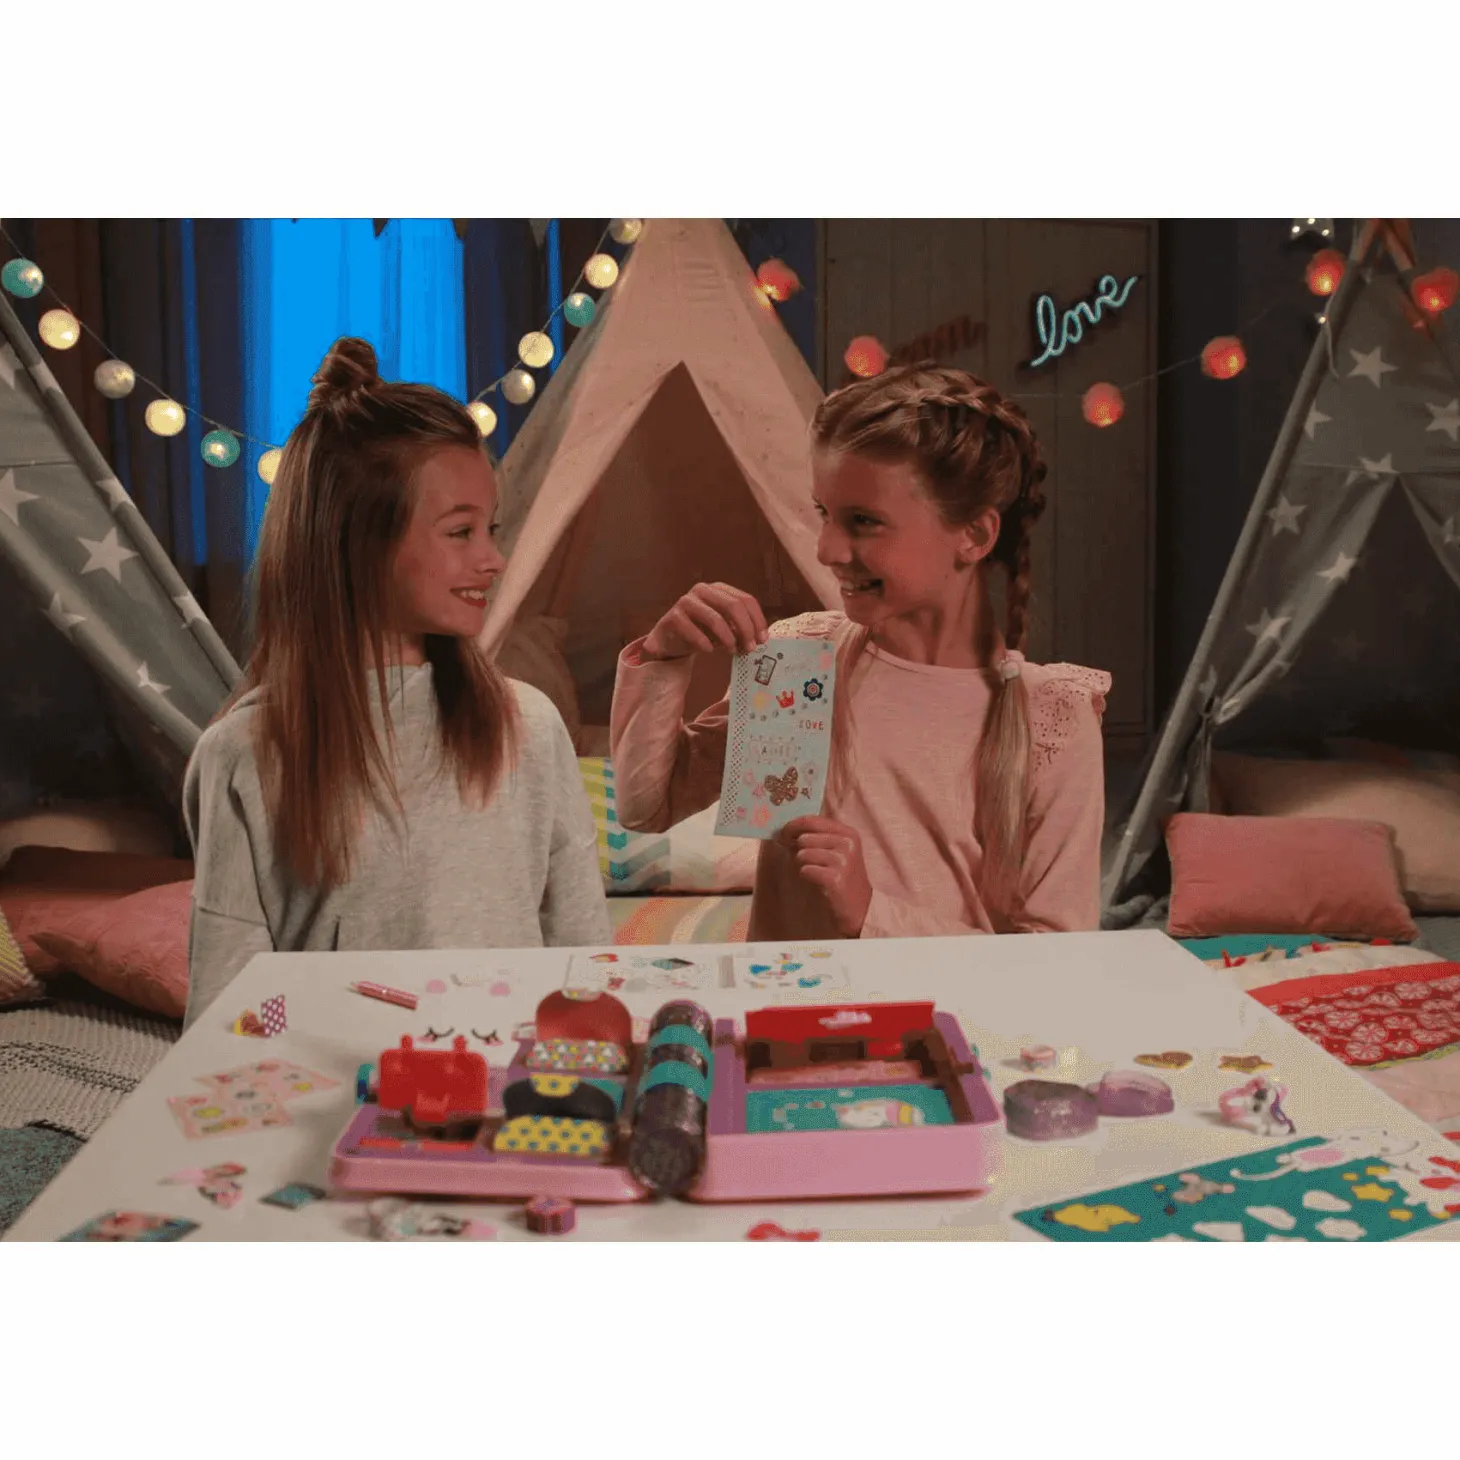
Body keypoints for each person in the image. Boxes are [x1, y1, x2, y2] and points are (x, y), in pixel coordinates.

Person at [183, 338, 608, 1028]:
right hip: (333, 1090)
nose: (494, 559)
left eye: (491, 529)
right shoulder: (242, 754)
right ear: (359, 543)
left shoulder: (528, 726)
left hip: (518, 1084)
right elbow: (231, 1014)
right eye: (461, 532)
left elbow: (583, 965)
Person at [609, 363, 1110, 941]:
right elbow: (646, 808)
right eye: (824, 514)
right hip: (789, 1002)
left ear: (973, 535)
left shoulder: (1050, 718)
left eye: (864, 522)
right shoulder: (799, 663)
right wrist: (664, 657)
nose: (826, 550)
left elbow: (1056, 955)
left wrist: (873, 913)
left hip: (938, 1006)